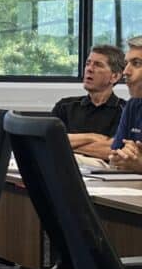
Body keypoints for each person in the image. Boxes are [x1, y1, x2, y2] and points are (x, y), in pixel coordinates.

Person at [51, 45, 125, 159]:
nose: (89, 69)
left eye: (98, 65)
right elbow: (50, 140)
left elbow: (115, 151)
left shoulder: (125, 111)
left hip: (106, 173)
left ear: (114, 76)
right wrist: (93, 137)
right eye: (88, 63)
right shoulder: (65, 106)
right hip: (66, 170)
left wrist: (67, 143)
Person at [110, 37, 142, 173]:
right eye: (126, 63)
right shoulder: (133, 106)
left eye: (136, 63)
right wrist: (123, 158)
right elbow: (114, 157)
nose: (125, 72)